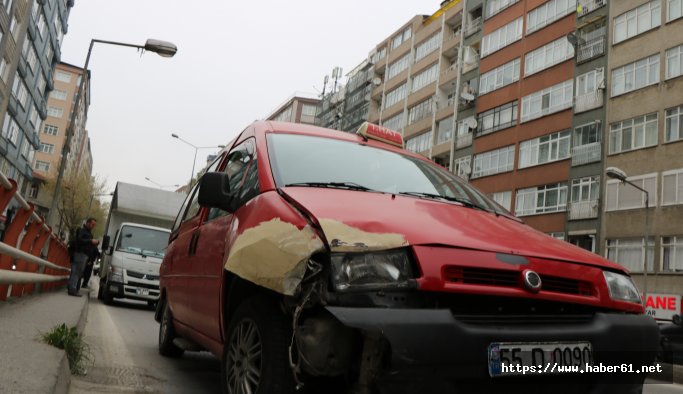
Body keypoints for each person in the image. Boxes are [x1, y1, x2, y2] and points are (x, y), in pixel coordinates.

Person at [67, 218, 99, 297]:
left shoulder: (88, 232)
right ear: (88, 223)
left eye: (94, 225)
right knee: (76, 272)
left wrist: (94, 243)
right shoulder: (82, 231)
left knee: (78, 272)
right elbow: (79, 240)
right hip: (80, 253)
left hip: (83, 255)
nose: (93, 226)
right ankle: (72, 289)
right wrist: (90, 241)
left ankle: (74, 288)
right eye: (92, 224)